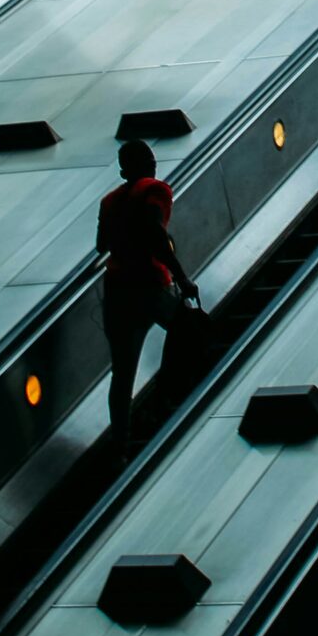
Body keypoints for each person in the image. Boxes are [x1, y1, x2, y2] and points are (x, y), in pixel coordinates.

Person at [96, 137, 198, 444]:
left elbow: (101, 245)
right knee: (187, 331)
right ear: (142, 165)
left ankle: (120, 444)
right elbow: (156, 233)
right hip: (149, 281)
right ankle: (167, 395)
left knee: (123, 372)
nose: (154, 163)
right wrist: (182, 278)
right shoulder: (155, 190)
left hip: (116, 289)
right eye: (149, 159)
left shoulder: (110, 200)